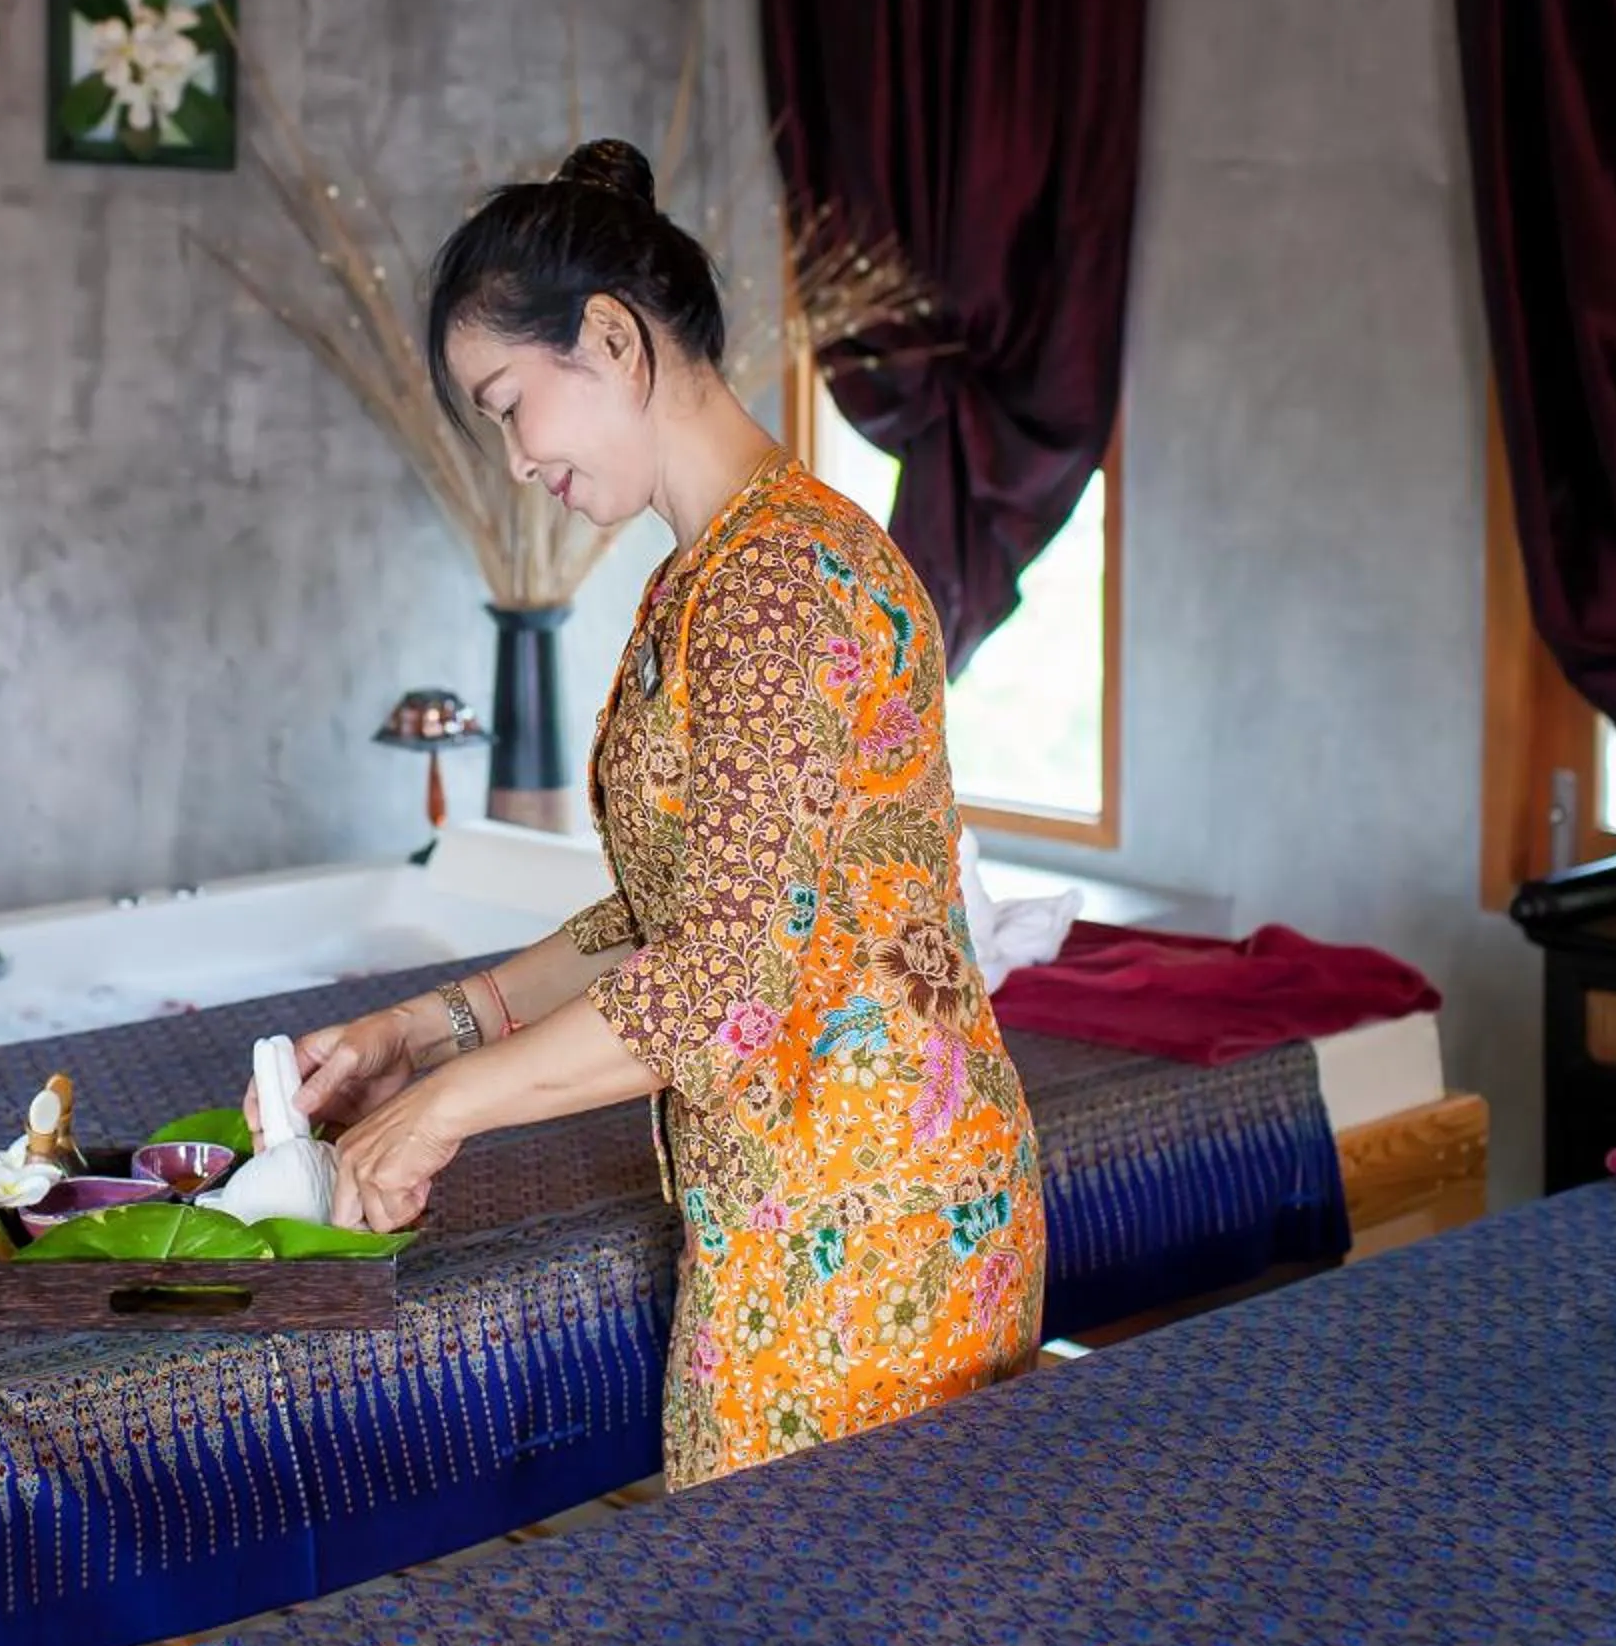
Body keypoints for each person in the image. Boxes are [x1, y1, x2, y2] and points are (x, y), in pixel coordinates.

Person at [264, 138, 1045, 1491]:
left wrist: (439, 1112)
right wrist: (422, 1029)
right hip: (816, 1199)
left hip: (859, 1225)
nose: (513, 459)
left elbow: (723, 985)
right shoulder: (715, 573)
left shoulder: (770, 583)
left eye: (511, 402)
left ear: (613, 341)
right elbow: (669, 917)